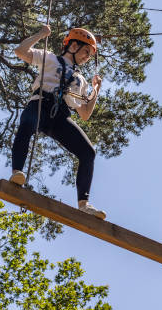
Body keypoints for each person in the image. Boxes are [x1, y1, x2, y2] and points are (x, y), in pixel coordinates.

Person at [10, 25, 107, 219]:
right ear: (72, 46)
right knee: (27, 124)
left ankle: (84, 204)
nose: (87, 57)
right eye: (85, 51)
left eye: (90, 54)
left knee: (88, 152)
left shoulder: (80, 80)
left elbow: (85, 113)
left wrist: (96, 90)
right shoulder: (49, 58)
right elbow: (20, 51)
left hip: (61, 115)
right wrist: (40, 35)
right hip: (40, 104)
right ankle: (17, 172)